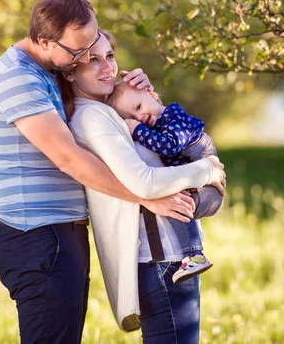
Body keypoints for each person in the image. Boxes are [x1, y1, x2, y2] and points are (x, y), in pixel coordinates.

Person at [0, 0, 226, 344]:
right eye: (79, 53)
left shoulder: (51, 68)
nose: (85, 57)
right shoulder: (19, 77)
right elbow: (69, 158)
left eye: (96, 46)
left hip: (60, 234)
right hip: (37, 235)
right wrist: (146, 197)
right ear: (45, 42)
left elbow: (110, 125)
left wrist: (131, 95)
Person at [62, 29, 226, 343]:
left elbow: (168, 159)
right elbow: (146, 181)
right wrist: (207, 169)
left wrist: (149, 98)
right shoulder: (93, 118)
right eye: (92, 60)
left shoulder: (110, 111)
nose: (108, 67)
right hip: (163, 257)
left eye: (109, 56)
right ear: (70, 71)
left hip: (168, 256)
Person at [107, 82, 224, 283]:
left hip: (205, 175)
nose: (139, 118)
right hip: (199, 178)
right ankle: (194, 255)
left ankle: (194, 255)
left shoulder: (174, 117)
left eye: (138, 107)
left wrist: (136, 131)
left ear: (152, 95)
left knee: (176, 203)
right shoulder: (160, 123)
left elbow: (169, 147)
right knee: (175, 200)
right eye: (132, 118)